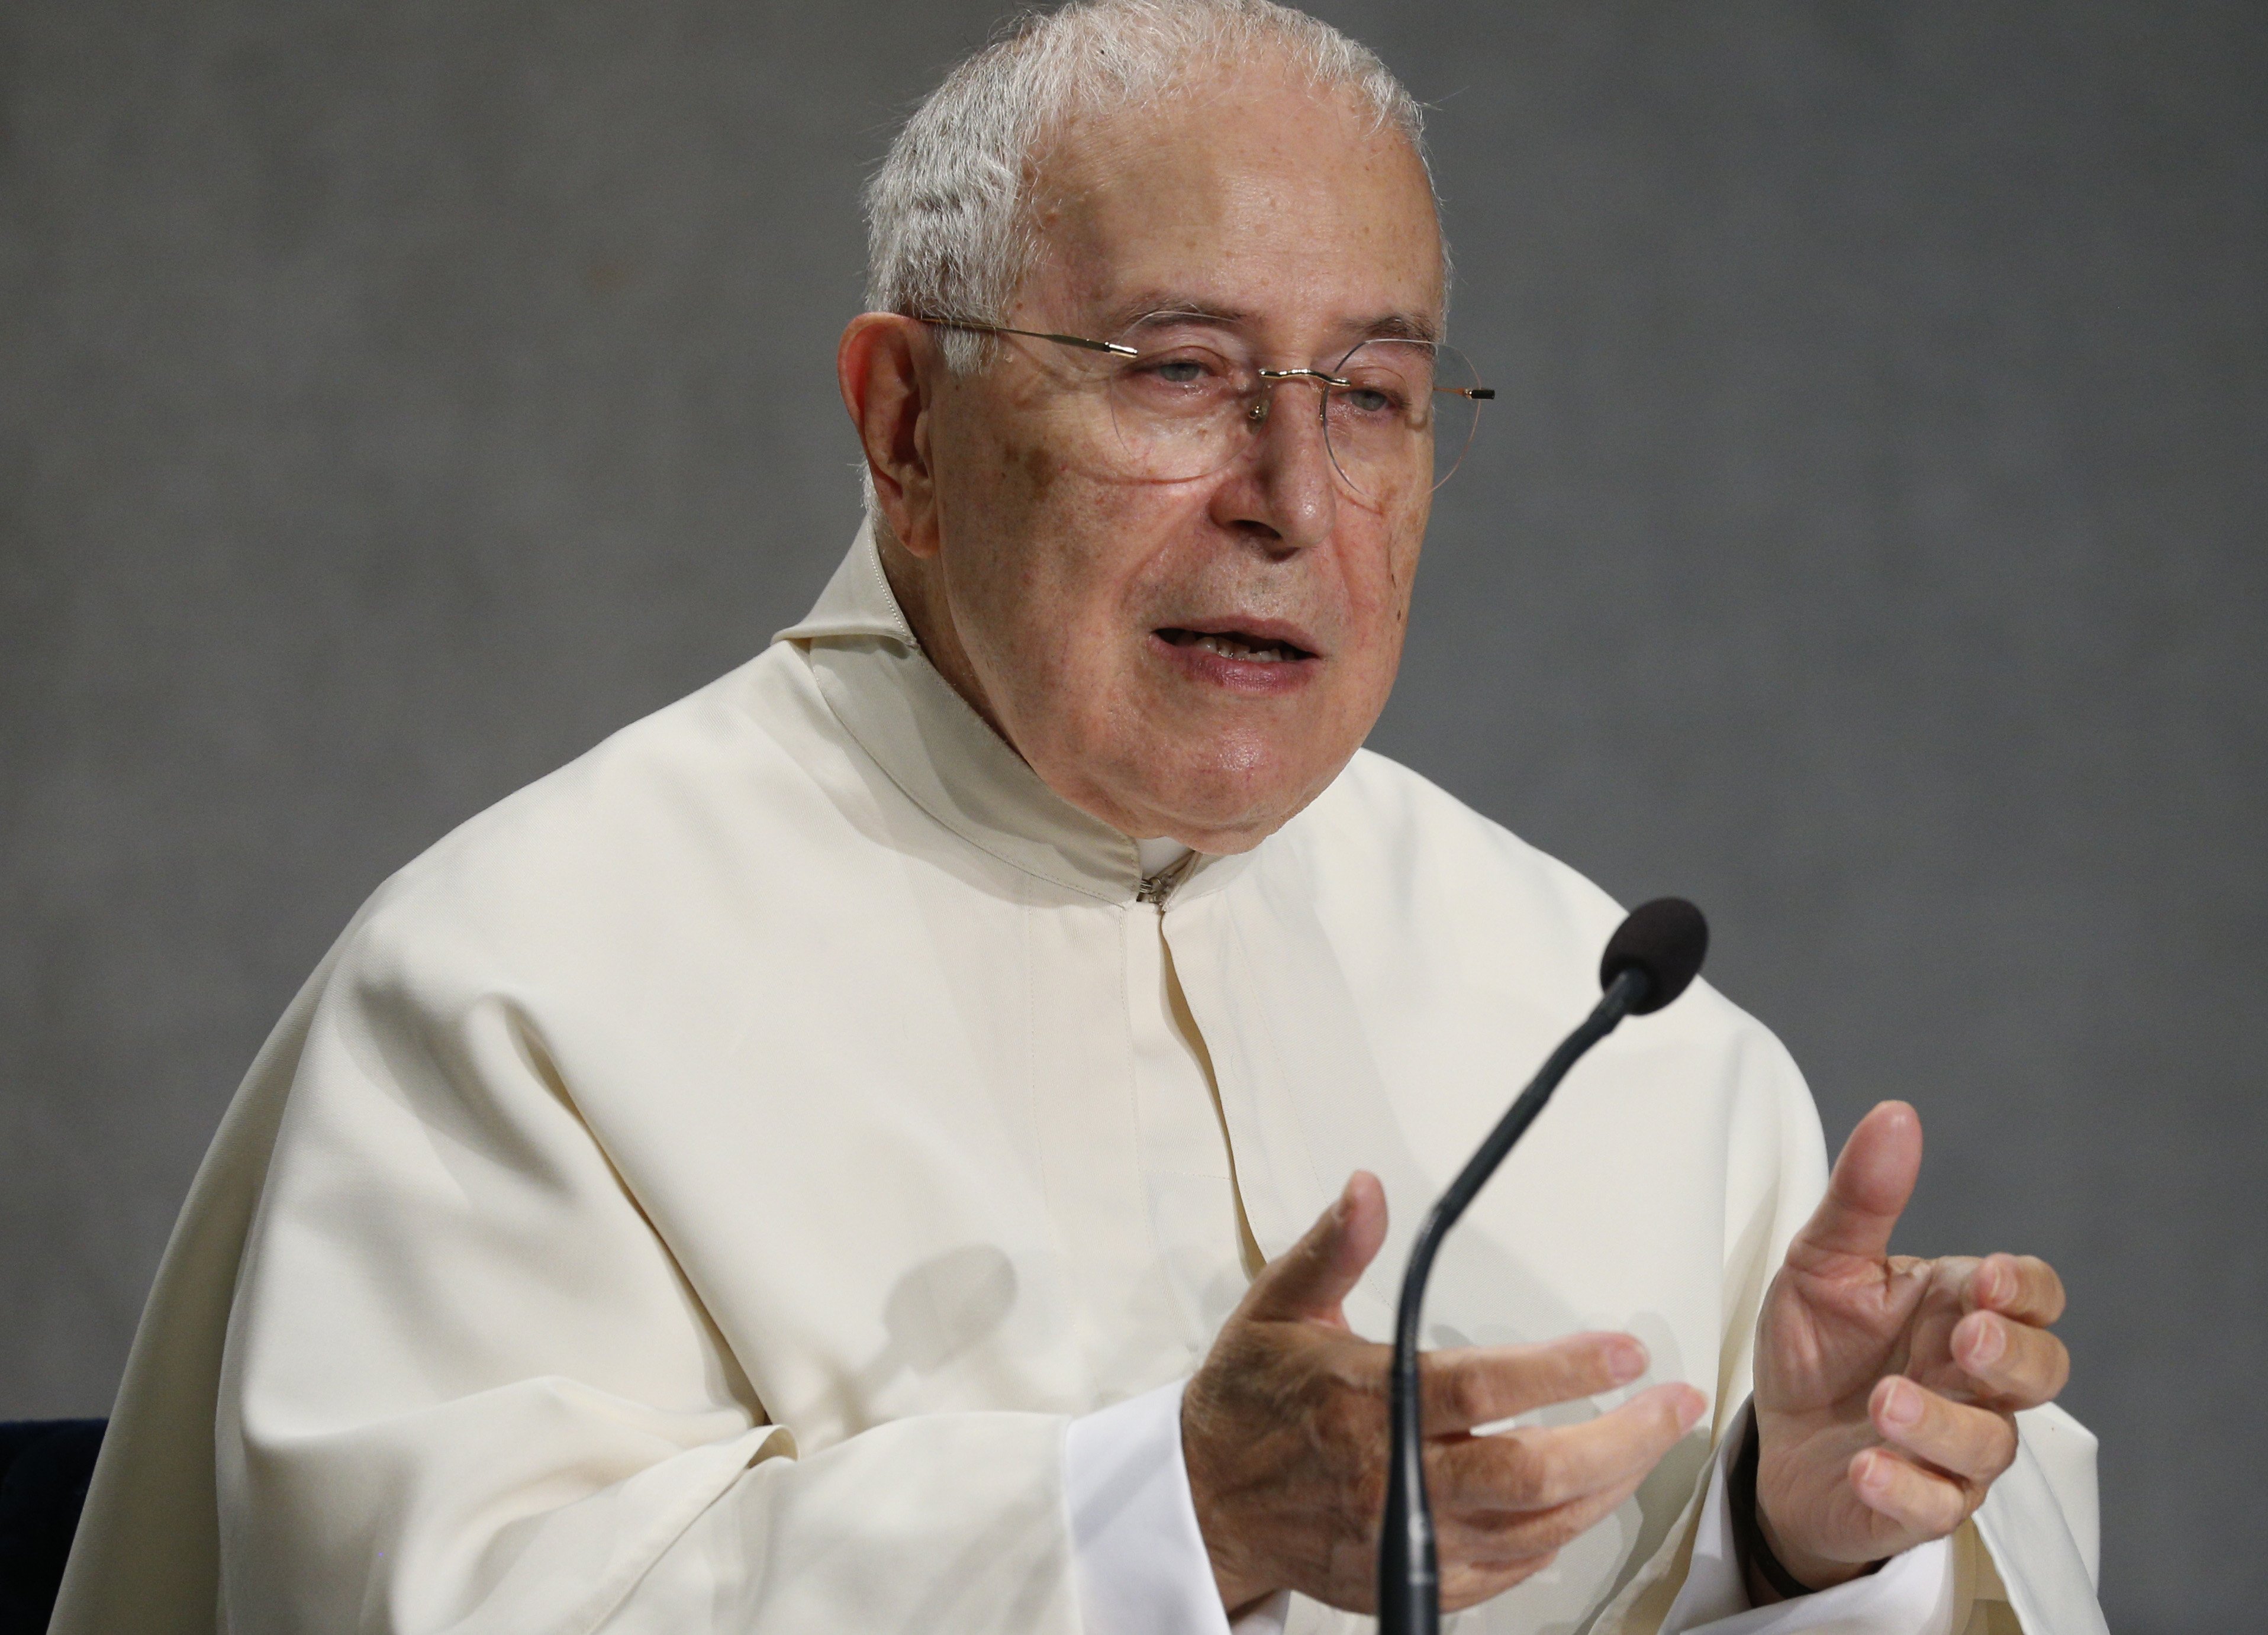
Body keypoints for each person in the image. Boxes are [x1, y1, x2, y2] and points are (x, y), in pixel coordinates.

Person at [49, 3, 2102, 1632]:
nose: (1292, 498)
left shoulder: (1621, 1029)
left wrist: (1808, 1539)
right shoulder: (519, 994)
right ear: (906, 425)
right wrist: (1166, 1521)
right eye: (1180, 370)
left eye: (1373, 394)